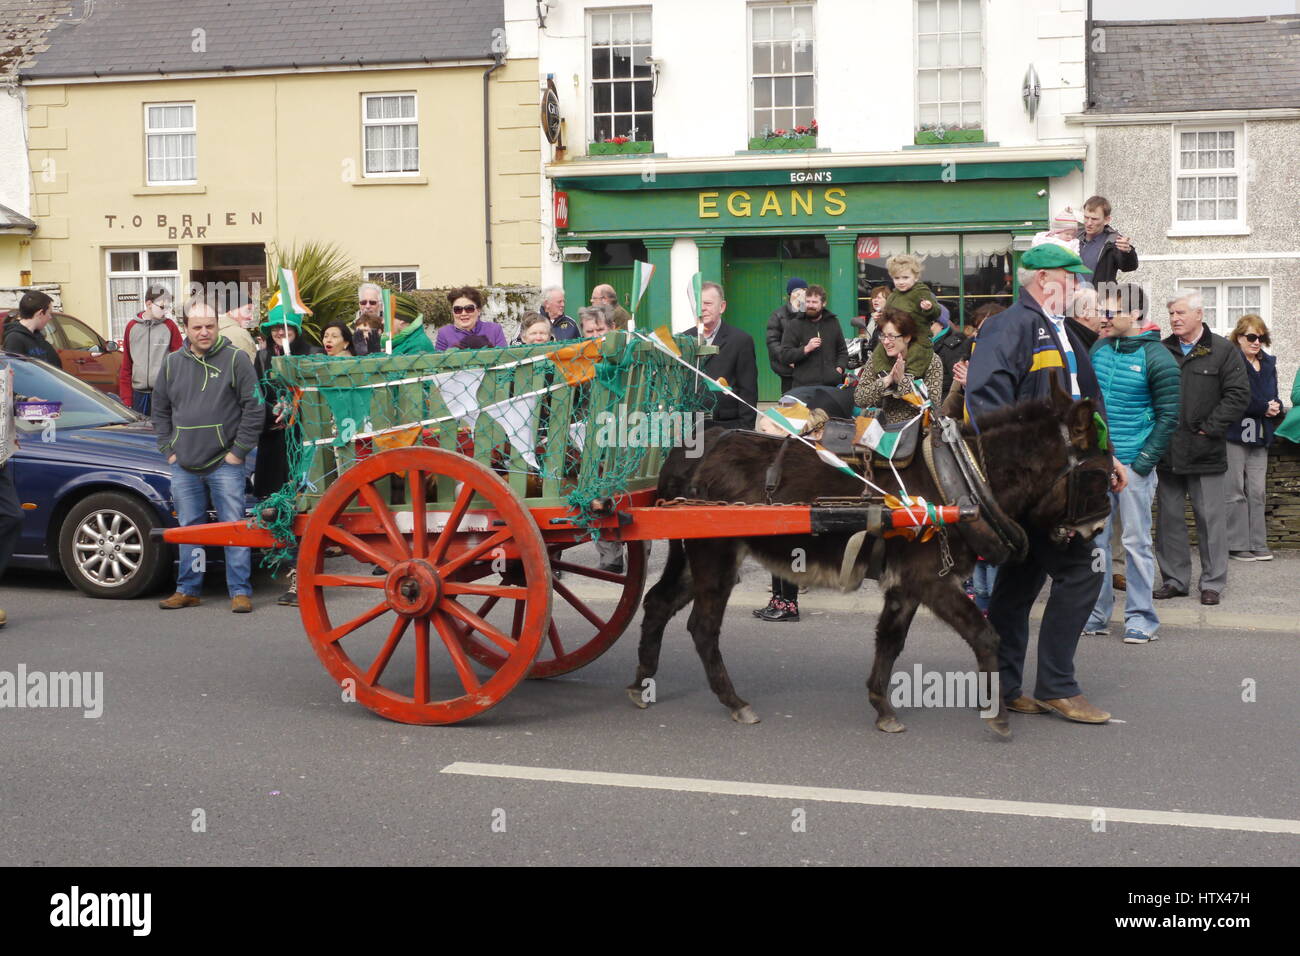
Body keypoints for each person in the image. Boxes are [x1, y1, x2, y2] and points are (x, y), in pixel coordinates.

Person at [965, 242, 1125, 725]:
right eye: (1069, 276)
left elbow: (1087, 404)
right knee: (1082, 573)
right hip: (1038, 484)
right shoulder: (1008, 327)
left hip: (1064, 479)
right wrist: (1031, 465)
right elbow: (985, 403)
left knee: (1020, 581)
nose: (1077, 285)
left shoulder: (1064, 332)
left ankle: (1004, 685)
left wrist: (1107, 456)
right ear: (1042, 281)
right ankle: (1057, 687)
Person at [1080, 283, 1180, 644]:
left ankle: (1141, 618)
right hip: (1099, 465)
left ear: (1135, 314)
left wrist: (1141, 464)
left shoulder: (1159, 358)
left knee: (1136, 543)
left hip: (1135, 467)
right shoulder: (1100, 348)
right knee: (1096, 543)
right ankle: (1096, 614)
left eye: (1110, 312)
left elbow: (1169, 417)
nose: (1103, 318)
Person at [152, 299, 263, 613]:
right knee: (190, 528)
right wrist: (168, 450)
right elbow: (159, 410)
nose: (204, 332)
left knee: (234, 527)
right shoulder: (172, 363)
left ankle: (240, 591)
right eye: (197, 327)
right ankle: (189, 588)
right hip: (183, 464)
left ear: (218, 325)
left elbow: (254, 408)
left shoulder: (236, 359)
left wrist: (239, 452)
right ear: (186, 328)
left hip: (225, 463)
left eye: (209, 326)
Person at [1153, 293, 1250, 606]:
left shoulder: (1223, 350)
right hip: (1167, 450)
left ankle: (1212, 582)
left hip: (1205, 450)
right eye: (1171, 313)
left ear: (1199, 314)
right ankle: (1175, 580)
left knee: (1211, 521)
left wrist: (1209, 428)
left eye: (1180, 312)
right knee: (1168, 521)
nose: (1175, 319)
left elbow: (1238, 395)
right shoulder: (1162, 350)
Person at [1225, 315, 1283, 562]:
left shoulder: (1269, 364)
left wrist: (1277, 405)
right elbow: (1232, 397)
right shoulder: (1231, 363)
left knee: (1258, 491)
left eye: (1261, 337)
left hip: (1260, 434)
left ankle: (1258, 543)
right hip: (1235, 433)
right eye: (1251, 336)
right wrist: (1262, 407)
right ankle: (1238, 545)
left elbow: (1275, 395)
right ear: (1239, 338)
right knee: (1235, 490)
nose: (1256, 342)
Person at [854, 308, 949, 425]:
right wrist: (885, 381)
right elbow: (859, 399)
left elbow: (932, 406)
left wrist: (902, 381)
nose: (886, 342)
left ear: (907, 337)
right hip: (884, 432)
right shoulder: (877, 358)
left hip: (918, 431)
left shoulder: (930, 360)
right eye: (883, 336)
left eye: (891, 336)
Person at [699, 281, 758, 431]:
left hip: (727, 426)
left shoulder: (741, 340)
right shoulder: (683, 339)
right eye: (698, 303)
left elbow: (748, 390)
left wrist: (746, 430)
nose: (702, 308)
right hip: (691, 426)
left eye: (708, 303)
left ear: (722, 307)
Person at [870, 254, 940, 379]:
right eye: (897, 278)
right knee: (879, 351)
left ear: (916, 277)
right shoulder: (893, 296)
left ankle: (911, 376)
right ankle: (884, 373)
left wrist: (929, 308)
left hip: (918, 335)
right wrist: (880, 318)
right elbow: (887, 315)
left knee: (918, 351)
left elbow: (936, 312)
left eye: (905, 277)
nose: (901, 282)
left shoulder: (920, 291)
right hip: (896, 336)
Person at [118, 284, 183, 414]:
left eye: (167, 308)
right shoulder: (131, 327)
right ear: (149, 304)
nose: (165, 311)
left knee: (163, 432)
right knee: (139, 432)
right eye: (162, 307)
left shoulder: (170, 327)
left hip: (163, 394)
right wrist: (126, 399)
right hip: (138, 395)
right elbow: (127, 365)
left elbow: (180, 363)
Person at [779, 284, 848, 389]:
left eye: (814, 302)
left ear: (823, 303)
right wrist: (806, 349)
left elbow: (842, 351)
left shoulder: (833, 322)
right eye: (808, 301)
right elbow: (784, 355)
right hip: (804, 387)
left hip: (831, 386)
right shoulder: (794, 324)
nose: (810, 305)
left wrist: (839, 368)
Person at [1079, 195, 1138, 289]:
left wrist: (1127, 251)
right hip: (1073, 298)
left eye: (1094, 219)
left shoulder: (1114, 242)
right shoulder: (1074, 238)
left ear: (1107, 220)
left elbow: (1129, 266)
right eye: (1086, 217)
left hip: (1101, 300)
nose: (1089, 223)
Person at [766, 278, 808, 395]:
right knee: (790, 403)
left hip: (809, 369)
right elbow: (772, 342)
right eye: (801, 290)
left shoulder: (810, 313)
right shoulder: (778, 315)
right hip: (788, 371)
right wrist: (788, 358)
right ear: (792, 293)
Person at [434, 287, 507, 351]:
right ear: (452, 312)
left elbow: (504, 360)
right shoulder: (444, 333)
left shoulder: (494, 330)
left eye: (469, 308)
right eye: (458, 309)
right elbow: (439, 363)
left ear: (478, 311)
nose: (463, 313)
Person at [3, 291, 60, 366]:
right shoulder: (14, 339)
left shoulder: (38, 336)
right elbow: (16, 372)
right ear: (40, 313)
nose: (50, 317)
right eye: (49, 313)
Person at [930, 306, 971, 398]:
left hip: (942, 407)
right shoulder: (929, 345)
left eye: (930, 323)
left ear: (941, 324)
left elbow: (957, 387)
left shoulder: (952, 347)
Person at [352, 283, 384, 356]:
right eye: (363, 302)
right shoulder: (350, 328)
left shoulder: (389, 326)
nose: (367, 306)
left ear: (381, 305)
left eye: (372, 302)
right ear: (359, 304)